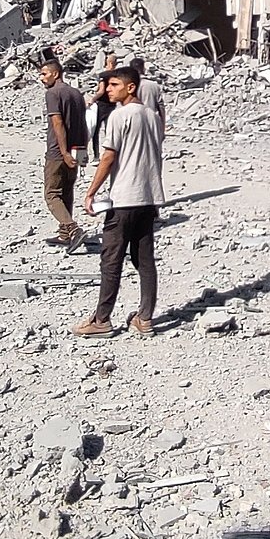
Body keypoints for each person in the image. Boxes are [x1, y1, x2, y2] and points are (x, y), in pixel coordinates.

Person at [73, 67, 165, 337]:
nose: (108, 89)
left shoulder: (119, 116)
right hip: (148, 197)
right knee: (144, 259)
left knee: (111, 259)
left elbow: (109, 157)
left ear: (130, 87)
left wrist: (91, 192)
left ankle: (102, 320)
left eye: (114, 85)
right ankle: (145, 317)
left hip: (124, 197)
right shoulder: (151, 116)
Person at [39, 58, 89, 252]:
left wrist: (63, 151)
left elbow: (57, 123)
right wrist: (82, 149)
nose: (41, 78)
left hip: (58, 152)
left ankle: (73, 230)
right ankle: (64, 234)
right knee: (66, 191)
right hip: (76, 149)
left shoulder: (53, 94)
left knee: (52, 194)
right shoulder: (76, 93)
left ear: (55, 74)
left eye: (44, 74)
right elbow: (84, 123)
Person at [128, 56, 166, 140]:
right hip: (151, 123)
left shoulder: (127, 87)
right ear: (143, 69)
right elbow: (161, 109)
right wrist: (162, 129)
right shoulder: (154, 86)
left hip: (132, 124)